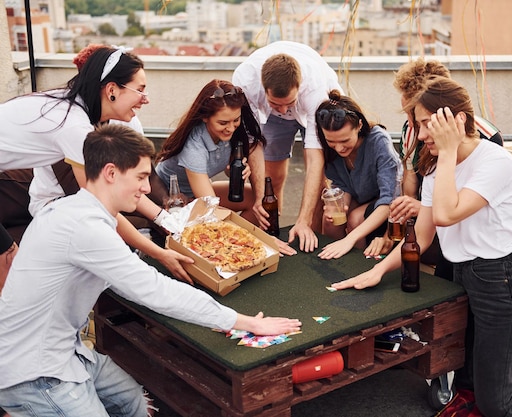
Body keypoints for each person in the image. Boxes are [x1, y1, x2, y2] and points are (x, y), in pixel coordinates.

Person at [332, 76, 512, 416]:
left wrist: (446, 152)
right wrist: (377, 270)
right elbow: (423, 236)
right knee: (465, 369)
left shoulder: (494, 161)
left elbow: (445, 215)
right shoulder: (436, 170)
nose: (423, 134)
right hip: (465, 278)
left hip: (503, 282)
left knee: (498, 404)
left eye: (428, 124)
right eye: (419, 125)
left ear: (457, 120)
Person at [0, 124, 302, 417]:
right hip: (35, 372)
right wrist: (243, 322)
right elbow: (155, 291)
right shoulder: (83, 227)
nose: (147, 188)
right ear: (110, 173)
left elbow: (122, 275)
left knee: (135, 403)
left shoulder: (74, 210)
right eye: (142, 177)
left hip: (68, 352)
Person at [0, 46, 194, 283]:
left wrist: (165, 220)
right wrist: (160, 254)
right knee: (10, 266)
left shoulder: (73, 109)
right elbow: (100, 205)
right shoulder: (74, 126)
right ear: (111, 90)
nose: (146, 99)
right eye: (140, 90)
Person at [364, 57, 503, 260]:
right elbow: (409, 188)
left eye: (413, 113)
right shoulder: (411, 131)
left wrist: (423, 209)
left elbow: (470, 205)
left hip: (462, 216)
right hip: (432, 211)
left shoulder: (486, 138)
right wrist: (395, 225)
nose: (410, 123)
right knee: (371, 215)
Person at [232, 41, 343, 253]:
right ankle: (274, 232)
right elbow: (253, 142)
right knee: (271, 178)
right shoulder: (245, 82)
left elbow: (314, 160)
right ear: (263, 89)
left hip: (319, 108)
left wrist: (302, 220)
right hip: (269, 116)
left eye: (287, 103)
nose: (283, 110)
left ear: (299, 88)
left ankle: (312, 234)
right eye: (276, 103)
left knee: (323, 182)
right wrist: (258, 198)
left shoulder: (315, 90)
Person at [155, 80, 266, 225]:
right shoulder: (193, 147)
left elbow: (225, 168)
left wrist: (234, 169)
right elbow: (210, 207)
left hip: (197, 194)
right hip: (171, 200)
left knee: (256, 199)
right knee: (214, 219)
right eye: (223, 123)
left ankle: (239, 242)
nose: (231, 128)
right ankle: (236, 243)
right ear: (205, 117)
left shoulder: (232, 132)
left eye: (236, 120)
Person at [315, 90, 401, 260]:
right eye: (331, 142)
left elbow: (389, 198)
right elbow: (342, 184)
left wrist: (349, 239)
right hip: (359, 196)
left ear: (359, 126)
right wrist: (340, 203)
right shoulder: (328, 148)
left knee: (355, 219)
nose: (339, 149)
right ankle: (332, 260)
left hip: (388, 202)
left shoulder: (378, 141)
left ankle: (359, 264)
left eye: (345, 141)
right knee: (331, 218)